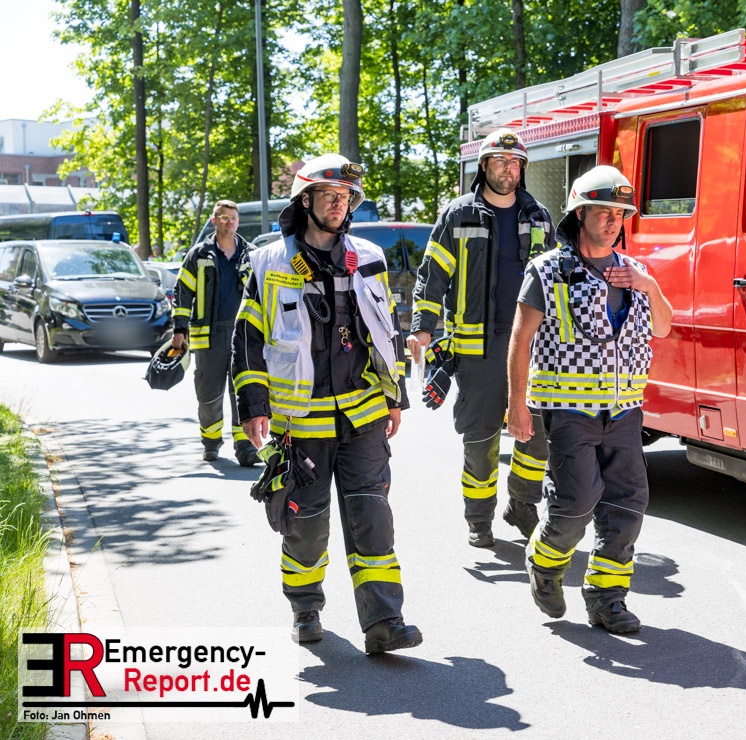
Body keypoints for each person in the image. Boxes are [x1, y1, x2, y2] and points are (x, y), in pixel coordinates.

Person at [232, 154, 422, 654]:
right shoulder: (268, 262)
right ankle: (305, 607)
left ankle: (384, 620)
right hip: (302, 422)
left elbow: (388, 331)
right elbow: (248, 338)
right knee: (306, 525)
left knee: (372, 517)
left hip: (364, 415)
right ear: (305, 200)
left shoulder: (369, 257)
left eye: (345, 198)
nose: (339, 205)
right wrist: (253, 406)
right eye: (330, 196)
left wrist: (395, 397)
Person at [507, 165, 673, 634]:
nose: (613, 221)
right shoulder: (546, 270)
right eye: (602, 212)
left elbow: (663, 326)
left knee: (627, 505)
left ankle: (607, 599)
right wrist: (517, 405)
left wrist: (649, 286)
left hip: (624, 412)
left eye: (619, 214)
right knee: (576, 502)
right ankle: (544, 562)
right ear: (579, 214)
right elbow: (520, 339)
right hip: (568, 411)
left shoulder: (636, 272)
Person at [407, 128, 555, 548]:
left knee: (536, 435)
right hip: (478, 351)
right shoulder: (459, 215)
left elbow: (557, 277)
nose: (508, 170)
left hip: (533, 346)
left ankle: (522, 505)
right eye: (500, 162)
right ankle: (479, 517)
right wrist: (422, 326)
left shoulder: (539, 216)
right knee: (481, 439)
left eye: (515, 163)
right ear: (484, 166)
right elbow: (432, 275)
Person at [172, 200, 261, 466]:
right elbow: (182, 292)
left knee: (242, 391)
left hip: (243, 334)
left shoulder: (251, 254)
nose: (229, 221)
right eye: (224, 217)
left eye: (233, 217)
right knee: (209, 394)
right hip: (208, 336)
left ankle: (245, 447)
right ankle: (211, 443)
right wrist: (179, 329)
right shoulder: (199, 255)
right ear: (214, 221)